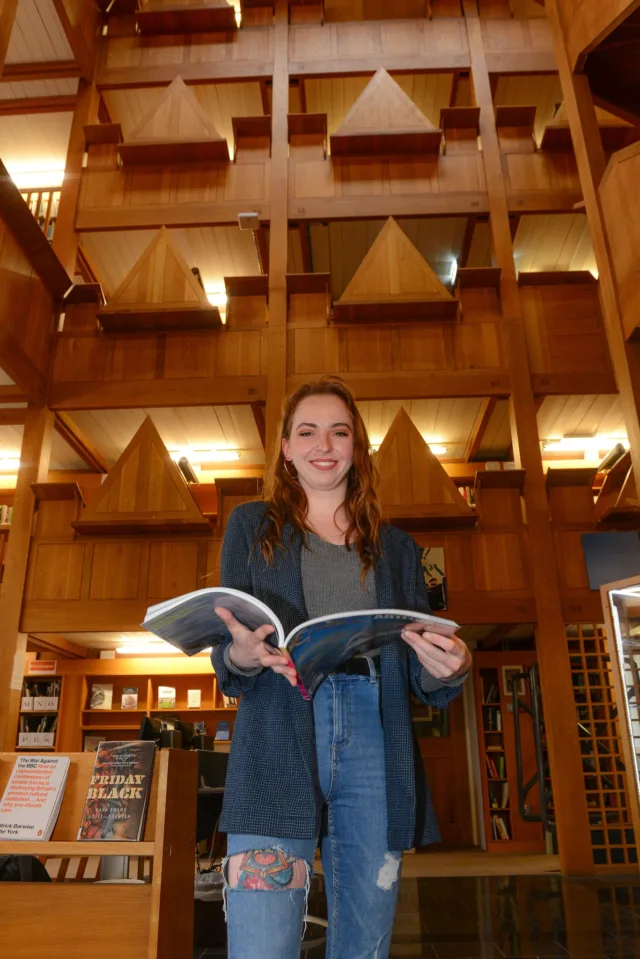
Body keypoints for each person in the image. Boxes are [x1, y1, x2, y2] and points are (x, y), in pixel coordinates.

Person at [212, 376, 471, 959]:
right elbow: (228, 657)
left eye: (339, 431)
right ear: (284, 447)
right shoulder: (250, 527)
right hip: (276, 729)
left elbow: (422, 678)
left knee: (366, 935)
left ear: (358, 446)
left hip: (374, 732)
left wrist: (448, 667)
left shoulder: (398, 549)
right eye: (307, 431)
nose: (323, 444)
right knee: (260, 933)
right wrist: (240, 654)